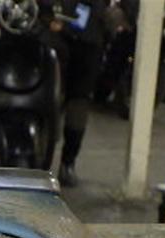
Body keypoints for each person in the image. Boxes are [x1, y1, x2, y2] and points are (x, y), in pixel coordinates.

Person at [45, 0, 109, 186]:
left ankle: (68, 162)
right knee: (48, 99)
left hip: (88, 42)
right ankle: (40, 160)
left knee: (78, 105)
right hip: (55, 37)